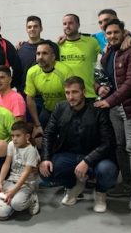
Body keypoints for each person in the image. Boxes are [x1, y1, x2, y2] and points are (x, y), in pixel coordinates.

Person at [40, 76, 117, 213]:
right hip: (70, 155)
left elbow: (108, 142)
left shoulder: (98, 110)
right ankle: (74, 186)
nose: (71, 97)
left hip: (96, 158)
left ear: (84, 92)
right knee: (47, 171)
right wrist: (45, 158)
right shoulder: (60, 107)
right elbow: (48, 134)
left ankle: (100, 193)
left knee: (108, 171)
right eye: (67, 93)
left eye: (75, 92)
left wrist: (87, 161)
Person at [94, 19, 131, 211]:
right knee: (120, 147)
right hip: (114, 109)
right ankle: (126, 185)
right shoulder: (107, 53)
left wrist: (110, 100)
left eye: (116, 32)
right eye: (109, 33)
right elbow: (99, 77)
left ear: (123, 32)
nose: (113, 36)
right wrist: (99, 87)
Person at [0, 121, 40, 216]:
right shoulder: (11, 145)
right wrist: (0, 182)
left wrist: (13, 191)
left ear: (27, 137)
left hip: (26, 184)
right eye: (12, 136)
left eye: (18, 136)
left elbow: (26, 173)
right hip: (11, 181)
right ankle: (10, 200)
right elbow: (6, 163)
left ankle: (32, 198)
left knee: (16, 204)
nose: (14, 139)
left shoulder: (31, 151)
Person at [25, 40, 74, 139]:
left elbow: (73, 97)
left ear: (53, 57)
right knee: (39, 139)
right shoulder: (32, 72)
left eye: (44, 53)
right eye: (38, 54)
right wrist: (37, 124)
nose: (40, 57)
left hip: (67, 110)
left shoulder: (65, 71)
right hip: (48, 109)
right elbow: (30, 98)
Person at [59, 13, 101, 99]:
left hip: (89, 94)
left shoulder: (92, 42)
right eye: (64, 24)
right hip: (67, 96)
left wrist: (127, 34)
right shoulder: (58, 46)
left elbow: (109, 47)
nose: (67, 26)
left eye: (71, 23)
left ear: (78, 25)